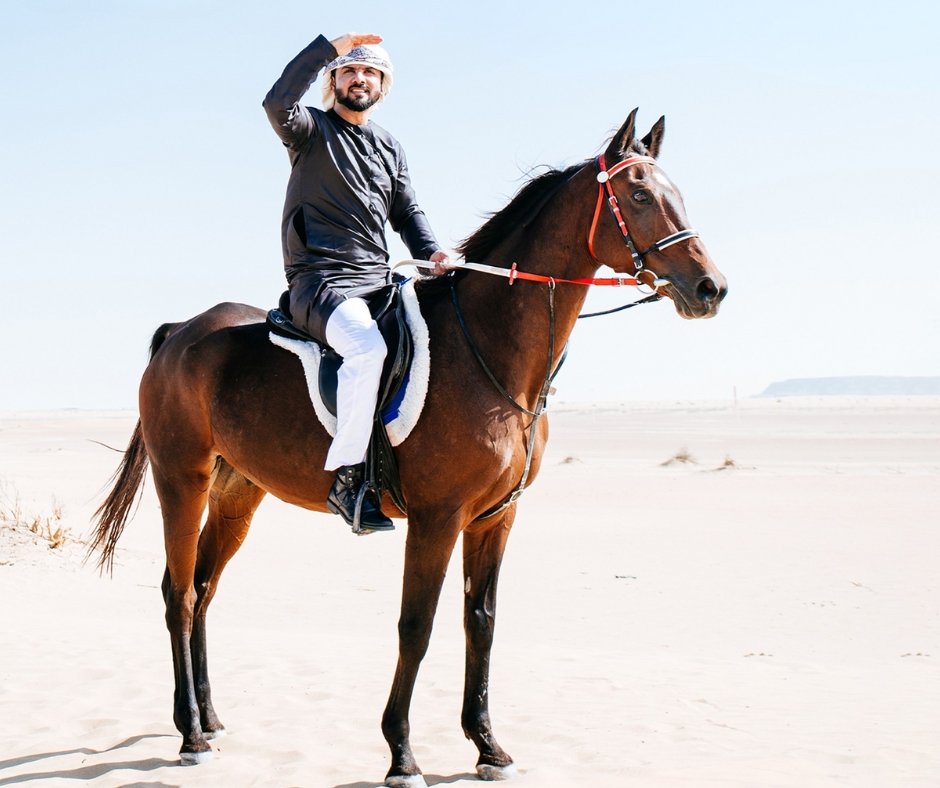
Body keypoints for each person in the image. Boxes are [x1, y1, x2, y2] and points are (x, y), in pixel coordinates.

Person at [263, 32, 450, 533]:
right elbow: (277, 101)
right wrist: (331, 46)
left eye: (369, 72)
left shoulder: (389, 146)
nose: (358, 78)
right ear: (333, 82)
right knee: (367, 351)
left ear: (382, 85)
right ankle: (349, 479)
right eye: (348, 71)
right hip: (319, 283)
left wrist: (431, 251)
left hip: (379, 280)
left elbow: (407, 211)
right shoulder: (309, 129)